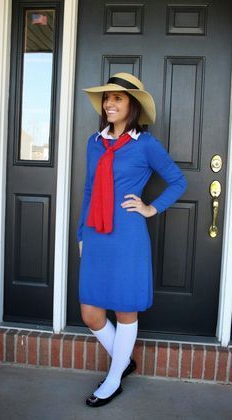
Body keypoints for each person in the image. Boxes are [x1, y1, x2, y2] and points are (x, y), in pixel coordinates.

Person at [77, 72, 187, 407]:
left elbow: (178, 181)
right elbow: (88, 190)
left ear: (132, 105)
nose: (109, 104)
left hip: (127, 236)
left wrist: (151, 208)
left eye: (118, 98)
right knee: (91, 314)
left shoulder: (146, 145)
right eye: (107, 98)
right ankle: (124, 361)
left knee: (126, 310)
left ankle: (113, 380)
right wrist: (82, 233)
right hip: (96, 234)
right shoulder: (94, 143)